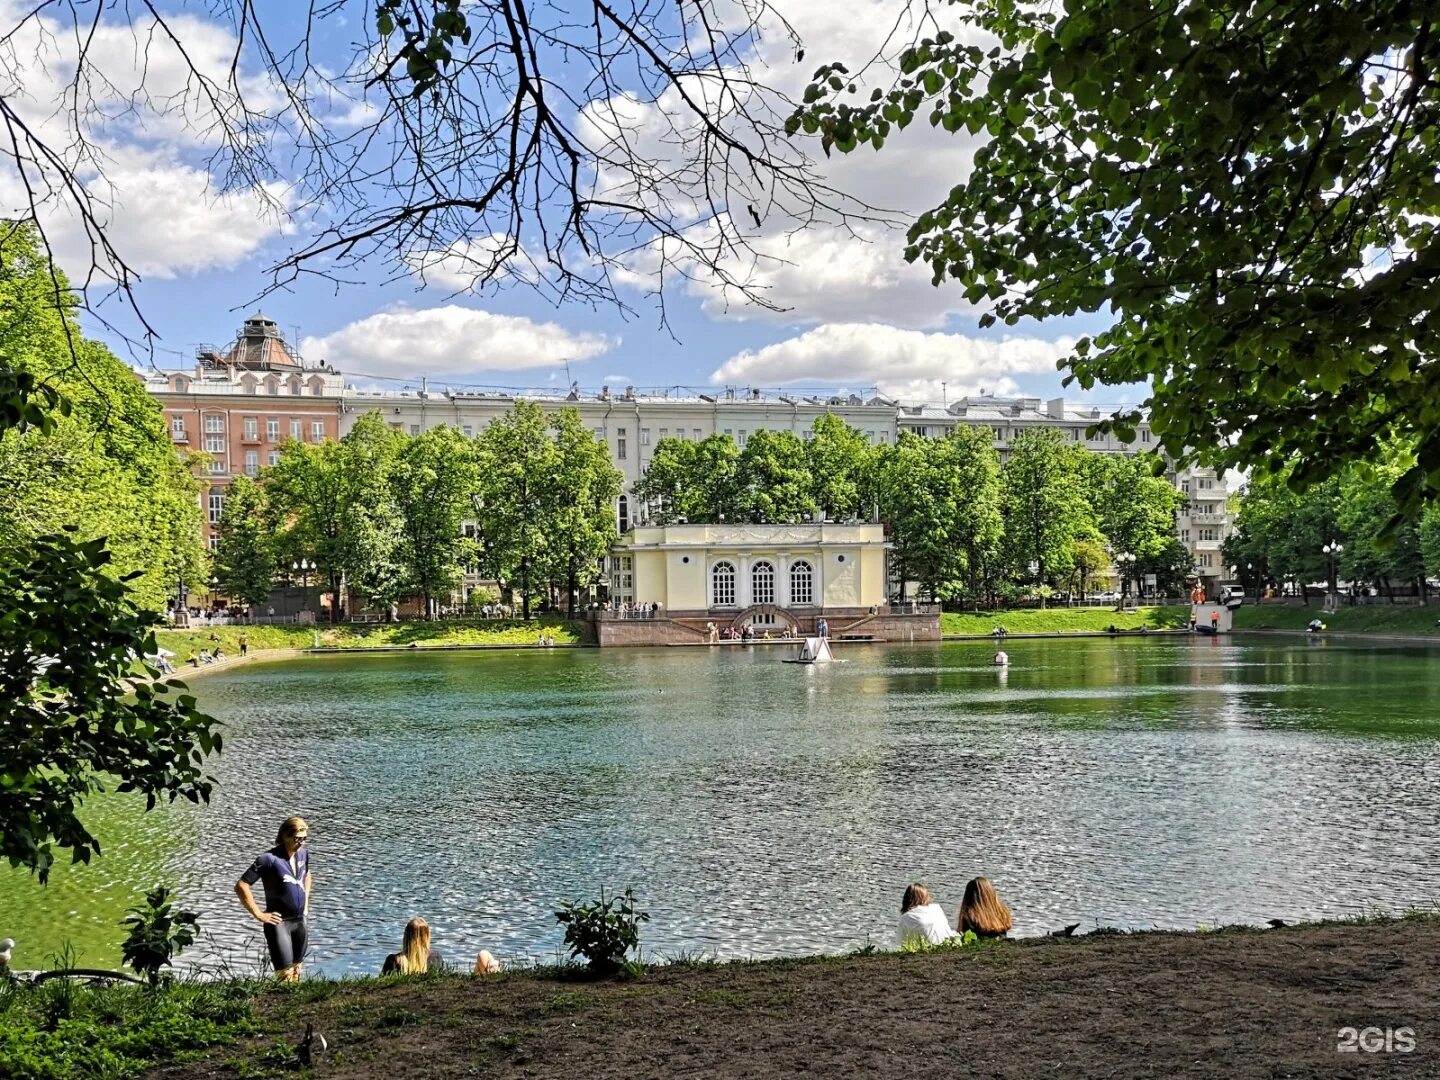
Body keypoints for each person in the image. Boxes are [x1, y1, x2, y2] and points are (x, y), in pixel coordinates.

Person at [235, 816, 313, 981]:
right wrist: (259, 914)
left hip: (300, 922)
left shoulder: (304, 855)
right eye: (298, 839)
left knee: (297, 971)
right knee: (285, 975)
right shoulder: (268, 859)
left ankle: (297, 1004)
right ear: (285, 836)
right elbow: (242, 885)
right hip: (279, 924)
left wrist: (305, 904)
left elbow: (307, 875)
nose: (302, 843)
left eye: (304, 839)